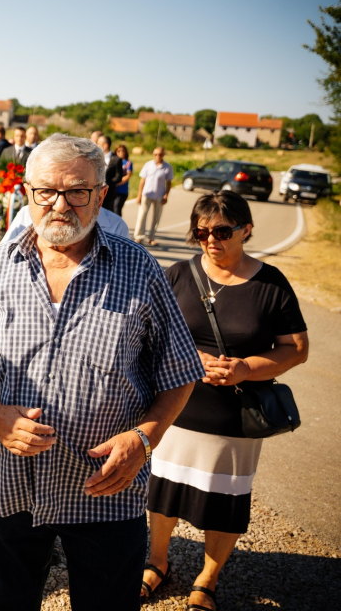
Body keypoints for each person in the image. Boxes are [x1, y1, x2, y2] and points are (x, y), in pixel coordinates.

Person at [0, 133, 202, 611]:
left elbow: (180, 371)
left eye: (77, 191)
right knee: (7, 601)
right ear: (27, 192)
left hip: (105, 489)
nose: (60, 204)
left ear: (101, 195)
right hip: (13, 486)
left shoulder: (140, 269)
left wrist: (143, 439)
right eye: (47, 191)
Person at [142, 191, 309, 611]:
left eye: (221, 230)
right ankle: (157, 562)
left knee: (224, 502)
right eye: (201, 232)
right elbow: (147, 333)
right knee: (163, 494)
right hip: (175, 409)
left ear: (246, 229)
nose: (210, 240)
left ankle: (207, 580)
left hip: (234, 418)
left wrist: (246, 369)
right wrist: (191, 358)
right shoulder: (177, 274)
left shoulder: (270, 284)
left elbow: (296, 347)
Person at [134, 147, 174, 246]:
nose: (158, 156)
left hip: (159, 194)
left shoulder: (167, 167)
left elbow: (169, 183)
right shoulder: (148, 165)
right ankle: (139, 236)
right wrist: (139, 195)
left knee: (156, 217)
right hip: (146, 193)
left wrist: (166, 196)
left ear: (163, 155)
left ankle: (151, 237)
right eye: (155, 154)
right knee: (142, 215)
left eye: (160, 154)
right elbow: (142, 181)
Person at [99, 135, 123, 211]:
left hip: (109, 194)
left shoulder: (116, 159)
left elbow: (118, 176)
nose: (96, 146)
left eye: (98, 144)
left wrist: (107, 183)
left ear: (105, 145)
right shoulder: (96, 157)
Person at [112, 143, 132, 218]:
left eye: (123, 151)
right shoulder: (113, 161)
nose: (121, 153)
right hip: (112, 190)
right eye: (118, 151)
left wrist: (116, 183)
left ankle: (118, 226)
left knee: (117, 208)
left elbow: (128, 176)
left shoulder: (128, 163)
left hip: (122, 190)